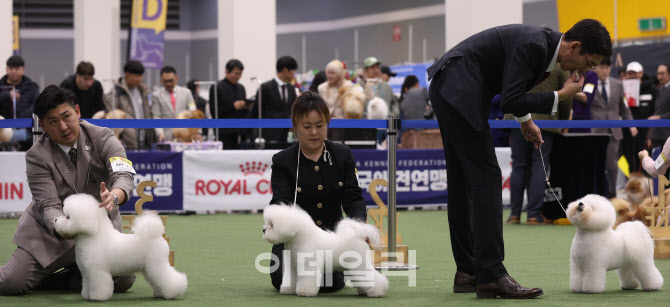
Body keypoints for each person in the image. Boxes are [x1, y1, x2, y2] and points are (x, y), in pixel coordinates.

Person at [426, 19, 612, 299]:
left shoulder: (544, 47)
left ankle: (468, 272)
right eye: (589, 62)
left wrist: (526, 122)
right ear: (575, 47)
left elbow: (514, 90)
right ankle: (491, 274)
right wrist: (561, 95)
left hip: (450, 86)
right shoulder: (535, 45)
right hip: (459, 88)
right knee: (487, 179)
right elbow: (511, 99)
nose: (586, 70)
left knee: (463, 180)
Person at [0, 85, 135, 295]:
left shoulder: (104, 137)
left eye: (67, 116)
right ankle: (53, 274)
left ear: (78, 112)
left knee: (124, 279)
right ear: (43, 126)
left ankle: (65, 279)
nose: (63, 127)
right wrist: (62, 226)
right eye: (53, 122)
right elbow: (48, 204)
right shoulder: (36, 156)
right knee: (10, 283)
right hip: (51, 235)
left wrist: (115, 196)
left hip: (97, 234)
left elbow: (123, 175)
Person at [268, 91, 366, 292]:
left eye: (320, 126)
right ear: (295, 128)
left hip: (332, 240)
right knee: (282, 280)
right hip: (293, 241)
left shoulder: (342, 155)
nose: (314, 132)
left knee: (330, 283)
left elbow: (353, 198)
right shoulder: (282, 161)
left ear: (327, 125)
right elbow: (280, 202)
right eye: (307, 126)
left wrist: (358, 229)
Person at [504, 63, 572, 225]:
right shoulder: (560, 64)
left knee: (518, 166)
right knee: (539, 165)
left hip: (516, 118)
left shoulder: (522, 58)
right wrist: (561, 121)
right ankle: (533, 214)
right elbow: (567, 96)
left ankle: (514, 214)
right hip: (545, 121)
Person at [591, 57, 636, 198]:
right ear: (596, 68)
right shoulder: (589, 85)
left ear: (610, 69)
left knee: (611, 166)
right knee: (596, 165)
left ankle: (612, 195)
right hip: (595, 130)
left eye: (607, 68)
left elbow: (625, 108)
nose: (604, 71)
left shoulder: (618, 84)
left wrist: (631, 124)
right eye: (601, 67)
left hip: (614, 131)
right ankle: (596, 194)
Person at [104, 60, 153, 150]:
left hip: (145, 143)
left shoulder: (144, 91)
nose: (139, 79)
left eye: (141, 76)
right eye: (136, 76)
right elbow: (112, 116)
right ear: (127, 74)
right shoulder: (116, 92)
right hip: (126, 145)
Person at [250, 56, 298, 148]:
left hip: (286, 136)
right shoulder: (265, 87)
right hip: (268, 135)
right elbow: (256, 112)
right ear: (285, 70)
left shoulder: (291, 89)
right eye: (293, 71)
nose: (294, 74)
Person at [620, 61, 657, 174]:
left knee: (646, 160)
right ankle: (634, 186)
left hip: (646, 133)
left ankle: (646, 185)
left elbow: (656, 111)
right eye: (630, 73)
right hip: (628, 132)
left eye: (635, 73)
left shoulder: (652, 89)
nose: (632, 75)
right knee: (629, 159)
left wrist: (651, 134)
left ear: (641, 73)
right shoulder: (622, 89)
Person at [0, 55, 39, 151]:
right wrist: (7, 95)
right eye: (11, 68)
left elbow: (36, 106)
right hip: (1, 133)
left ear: (23, 69)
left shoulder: (31, 87)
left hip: (26, 136)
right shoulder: (1, 87)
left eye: (17, 68)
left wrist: (20, 119)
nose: (13, 71)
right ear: (6, 69)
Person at [151, 66, 197, 143]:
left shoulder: (186, 93)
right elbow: (156, 116)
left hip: (185, 134)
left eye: (171, 80)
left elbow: (193, 113)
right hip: (165, 137)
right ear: (161, 80)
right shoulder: (156, 96)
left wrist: (196, 132)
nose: (168, 83)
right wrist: (160, 133)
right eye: (165, 81)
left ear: (176, 78)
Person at [210, 59, 249, 149]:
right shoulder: (217, 87)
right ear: (227, 71)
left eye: (240, 74)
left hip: (241, 130)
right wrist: (233, 107)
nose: (238, 76)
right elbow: (214, 112)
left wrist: (247, 106)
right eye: (236, 73)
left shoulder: (241, 88)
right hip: (224, 132)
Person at [647, 63, 670, 149]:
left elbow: (658, 115)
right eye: (658, 74)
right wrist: (651, 136)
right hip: (657, 137)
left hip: (667, 138)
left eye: (662, 74)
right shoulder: (661, 89)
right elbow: (657, 111)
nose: (659, 77)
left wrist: (659, 117)